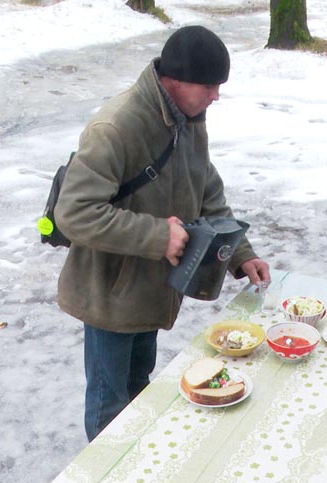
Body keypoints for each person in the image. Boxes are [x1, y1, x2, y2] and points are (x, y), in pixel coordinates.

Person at [54, 25, 270, 441]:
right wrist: (158, 237)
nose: (216, 96)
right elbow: (75, 213)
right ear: (175, 79)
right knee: (109, 404)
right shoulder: (116, 127)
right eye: (209, 85)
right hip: (109, 295)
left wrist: (241, 252)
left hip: (150, 290)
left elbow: (205, 189)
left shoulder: (188, 118)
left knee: (139, 395)